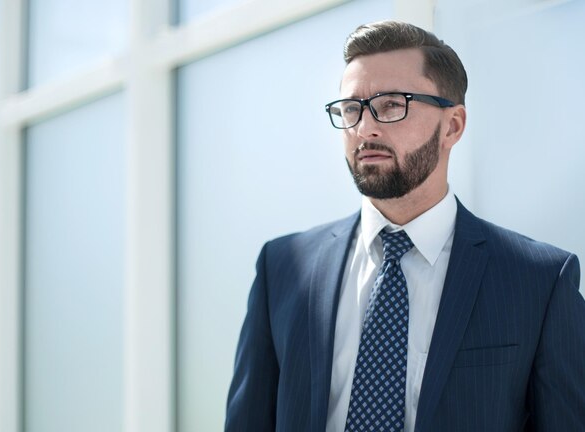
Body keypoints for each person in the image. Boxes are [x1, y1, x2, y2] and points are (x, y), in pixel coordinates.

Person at [225, 20, 585, 432]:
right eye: (351, 109)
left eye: (393, 104)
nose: (365, 128)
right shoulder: (283, 267)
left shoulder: (538, 281)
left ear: (452, 126)